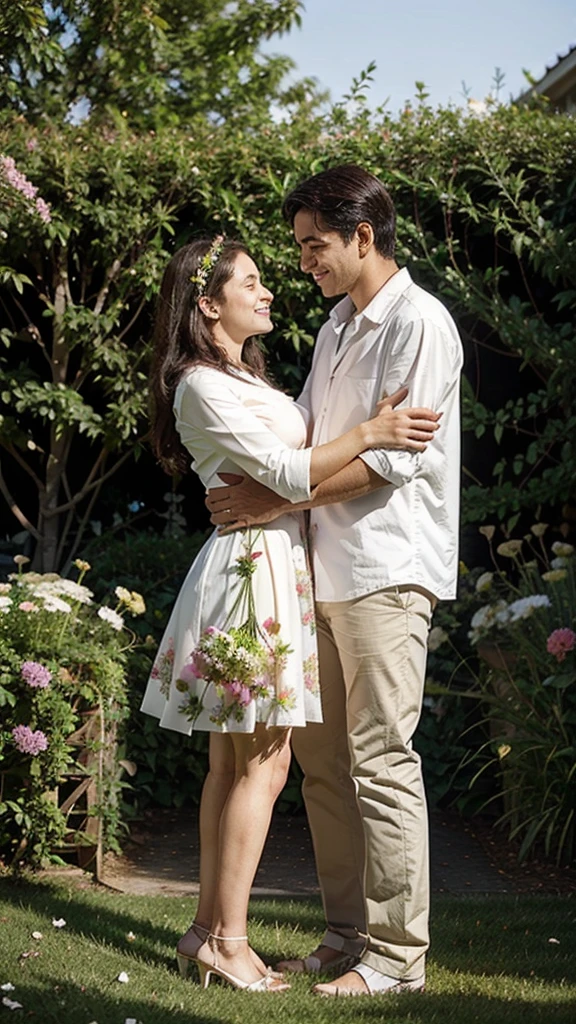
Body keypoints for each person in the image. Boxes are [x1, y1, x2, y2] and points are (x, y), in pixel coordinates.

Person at [140, 234, 441, 993]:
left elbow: (292, 448)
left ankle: (209, 931)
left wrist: (346, 437)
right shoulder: (204, 386)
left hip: (276, 566)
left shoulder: (246, 378)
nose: (269, 290)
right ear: (208, 304)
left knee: (244, 763)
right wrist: (370, 432)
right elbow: (282, 469)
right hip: (254, 573)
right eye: (251, 281)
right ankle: (227, 940)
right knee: (261, 764)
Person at [206, 165, 463, 996]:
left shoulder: (420, 323)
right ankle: (346, 932)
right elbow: (320, 439)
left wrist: (267, 497)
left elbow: (387, 462)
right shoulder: (333, 328)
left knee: (383, 760)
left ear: (362, 235)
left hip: (388, 570)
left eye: (315, 246)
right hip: (317, 573)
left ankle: (396, 958)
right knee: (322, 767)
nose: (306, 262)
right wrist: (267, 487)